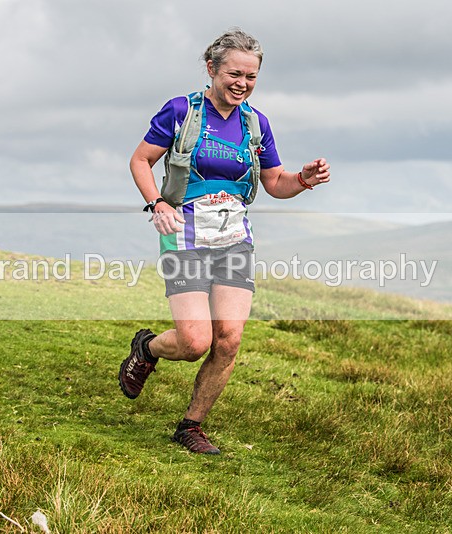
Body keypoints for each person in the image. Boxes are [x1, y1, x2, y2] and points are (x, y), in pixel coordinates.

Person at [119, 28, 330, 454]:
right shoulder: (182, 111)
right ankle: (147, 347)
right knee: (195, 342)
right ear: (212, 68)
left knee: (229, 338)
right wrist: (157, 202)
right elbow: (141, 160)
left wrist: (303, 180)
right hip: (185, 235)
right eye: (235, 73)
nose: (242, 84)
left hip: (235, 239)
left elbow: (274, 182)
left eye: (251, 77)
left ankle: (191, 426)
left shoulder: (255, 123)